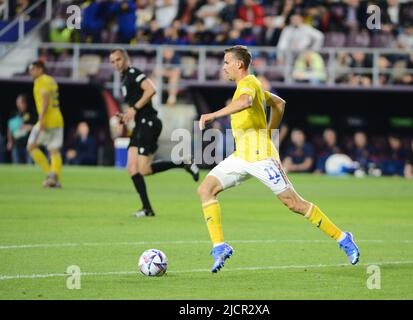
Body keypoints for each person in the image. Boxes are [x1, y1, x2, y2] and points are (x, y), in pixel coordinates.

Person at [197, 45, 359, 273]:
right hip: (241, 156)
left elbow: (244, 103)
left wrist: (213, 114)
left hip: (262, 157)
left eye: (226, 62)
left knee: (294, 204)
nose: (223, 67)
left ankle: (343, 238)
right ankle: (220, 247)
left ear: (239, 64)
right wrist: (270, 130)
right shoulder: (250, 87)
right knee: (206, 189)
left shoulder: (248, 83)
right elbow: (279, 103)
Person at [109, 48, 199, 217]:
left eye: (118, 59)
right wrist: (126, 115)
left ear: (126, 58)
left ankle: (183, 162)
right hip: (139, 125)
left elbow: (151, 89)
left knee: (144, 169)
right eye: (113, 62)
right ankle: (147, 209)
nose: (116, 64)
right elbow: (135, 104)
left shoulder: (134, 72)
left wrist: (134, 109)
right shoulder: (125, 78)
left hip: (148, 123)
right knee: (132, 168)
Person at [27, 60, 64, 188]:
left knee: (31, 146)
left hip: (47, 120)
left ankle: (50, 174)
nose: (30, 72)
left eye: (32, 69)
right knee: (54, 150)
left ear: (40, 69)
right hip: (58, 119)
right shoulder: (51, 80)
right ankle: (55, 178)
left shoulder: (40, 81)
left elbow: (45, 99)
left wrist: (41, 119)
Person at [7, 94, 34, 164]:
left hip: (28, 145)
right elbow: (10, 129)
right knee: (16, 164)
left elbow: (36, 127)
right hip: (16, 144)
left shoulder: (31, 114)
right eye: (18, 103)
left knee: (29, 165)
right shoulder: (14, 114)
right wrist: (10, 141)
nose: (19, 105)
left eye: (21, 103)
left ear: (25, 103)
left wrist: (28, 127)